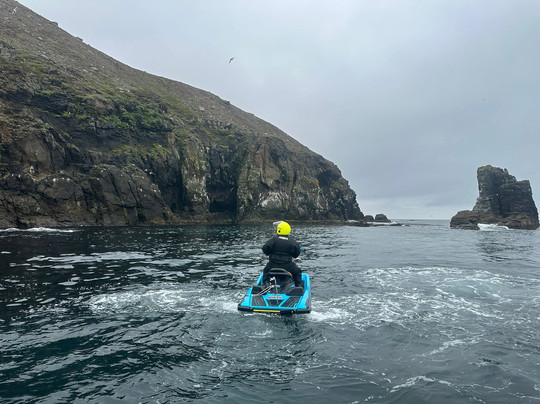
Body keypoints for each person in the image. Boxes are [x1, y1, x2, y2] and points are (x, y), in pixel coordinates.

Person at [262, 221, 303, 287]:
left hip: (272, 265)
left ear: (278, 229)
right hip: (288, 266)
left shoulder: (273, 240)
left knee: (266, 271)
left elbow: (265, 250)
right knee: (297, 272)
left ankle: (264, 285)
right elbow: (296, 255)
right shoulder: (292, 241)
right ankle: (298, 287)